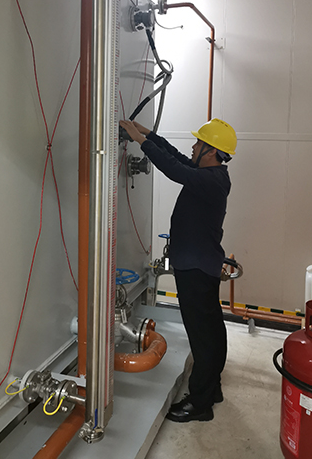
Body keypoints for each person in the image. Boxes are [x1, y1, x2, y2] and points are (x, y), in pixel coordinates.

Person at [119, 117, 237, 423]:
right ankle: (212, 388)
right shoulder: (210, 174)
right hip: (201, 264)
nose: (193, 147)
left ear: (212, 151)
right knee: (211, 330)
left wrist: (140, 141)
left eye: (199, 143)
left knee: (202, 336)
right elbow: (177, 158)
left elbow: (173, 169)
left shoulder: (210, 181)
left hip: (195, 268)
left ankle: (200, 404)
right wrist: (148, 133)